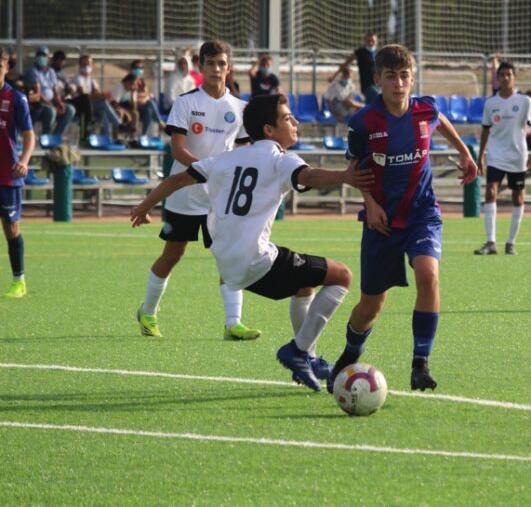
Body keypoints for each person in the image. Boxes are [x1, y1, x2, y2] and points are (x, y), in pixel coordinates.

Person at [131, 93, 373, 391]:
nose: (295, 122)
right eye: (287, 118)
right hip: (256, 260)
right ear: (269, 130)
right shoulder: (281, 159)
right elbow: (308, 176)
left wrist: (144, 206)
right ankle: (299, 351)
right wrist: (345, 176)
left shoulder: (226, 157)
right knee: (342, 276)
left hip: (227, 264)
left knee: (305, 283)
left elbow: (176, 180)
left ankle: (308, 358)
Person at [327, 44, 478, 393]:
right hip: (381, 221)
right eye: (391, 76)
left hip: (421, 213)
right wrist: (370, 204)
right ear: (377, 80)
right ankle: (350, 354)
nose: (399, 83)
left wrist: (465, 153)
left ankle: (420, 363)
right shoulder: (363, 122)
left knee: (428, 274)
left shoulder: (426, 109)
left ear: (413, 78)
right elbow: (355, 169)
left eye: (405, 76)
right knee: (371, 304)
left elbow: (440, 120)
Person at [135, 40, 258, 339]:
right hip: (185, 195)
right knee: (173, 254)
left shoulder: (241, 108)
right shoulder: (186, 102)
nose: (216, 69)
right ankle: (148, 312)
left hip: (221, 198)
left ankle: (233, 323)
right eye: (210, 63)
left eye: (221, 63)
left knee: (228, 257)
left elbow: (244, 151)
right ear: (200, 67)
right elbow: (177, 150)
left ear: (229, 68)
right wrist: (205, 169)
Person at [474, 61, 531, 256]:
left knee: (517, 197)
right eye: (502, 74)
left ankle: (511, 242)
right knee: (490, 192)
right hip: (496, 155)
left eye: (509, 74)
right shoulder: (490, 103)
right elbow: (485, 130)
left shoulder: (524, 101)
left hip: (517, 156)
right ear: (498, 78)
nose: (505, 78)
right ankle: (490, 241)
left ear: (515, 77)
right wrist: (480, 157)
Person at [0, 48, 35, 299]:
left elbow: (29, 134)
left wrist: (23, 160)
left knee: (11, 227)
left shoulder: (15, 98)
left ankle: (18, 280)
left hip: (7, 174)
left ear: (6, 68)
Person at [70, 54, 126, 139]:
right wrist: (100, 97)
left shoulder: (91, 79)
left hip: (91, 106)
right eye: (84, 64)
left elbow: (97, 93)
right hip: (81, 106)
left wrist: (103, 95)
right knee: (103, 103)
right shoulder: (78, 78)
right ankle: (118, 124)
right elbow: (84, 97)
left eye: (88, 64)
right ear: (80, 65)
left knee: (103, 112)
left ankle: (105, 137)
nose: (86, 66)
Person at [23, 46, 75, 137]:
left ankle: (55, 137)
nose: (41, 57)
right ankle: (46, 137)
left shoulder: (51, 71)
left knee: (70, 109)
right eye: (39, 55)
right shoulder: (32, 71)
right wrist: (52, 105)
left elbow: (55, 90)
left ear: (48, 58)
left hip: (51, 102)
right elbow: (38, 93)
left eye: (44, 55)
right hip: (39, 103)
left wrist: (59, 103)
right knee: (51, 111)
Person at [118, 60, 163, 138]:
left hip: (141, 104)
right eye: (136, 67)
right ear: (131, 69)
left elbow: (147, 93)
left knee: (148, 109)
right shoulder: (128, 80)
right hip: (130, 105)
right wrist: (144, 97)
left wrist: (144, 98)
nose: (139, 69)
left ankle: (143, 135)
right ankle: (159, 122)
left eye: (141, 67)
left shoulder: (141, 81)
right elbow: (132, 93)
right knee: (150, 103)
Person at [334, 32, 380, 104]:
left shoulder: (379, 52)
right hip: (367, 85)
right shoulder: (360, 52)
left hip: (379, 84)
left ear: (376, 42)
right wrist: (334, 76)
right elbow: (345, 64)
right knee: (377, 97)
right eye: (368, 41)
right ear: (365, 41)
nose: (371, 43)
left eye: (372, 41)